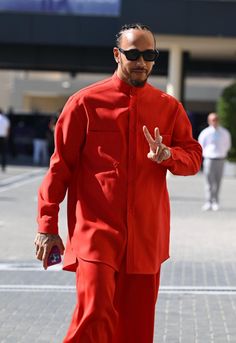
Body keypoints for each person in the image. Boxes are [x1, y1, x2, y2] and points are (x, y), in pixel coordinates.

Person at [34, 23, 202, 342]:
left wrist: (168, 155)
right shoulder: (84, 104)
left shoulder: (168, 108)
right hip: (95, 234)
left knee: (136, 329)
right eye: (134, 53)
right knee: (94, 313)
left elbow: (193, 158)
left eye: (149, 54)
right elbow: (60, 168)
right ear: (117, 54)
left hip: (146, 239)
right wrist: (47, 225)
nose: (142, 61)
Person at [198, 112, 231, 211]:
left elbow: (227, 145)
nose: (214, 121)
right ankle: (208, 201)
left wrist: (221, 153)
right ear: (209, 121)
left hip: (220, 159)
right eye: (212, 120)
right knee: (209, 181)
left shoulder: (224, 132)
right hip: (209, 159)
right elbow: (200, 145)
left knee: (218, 181)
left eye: (216, 119)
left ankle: (215, 201)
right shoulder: (205, 133)